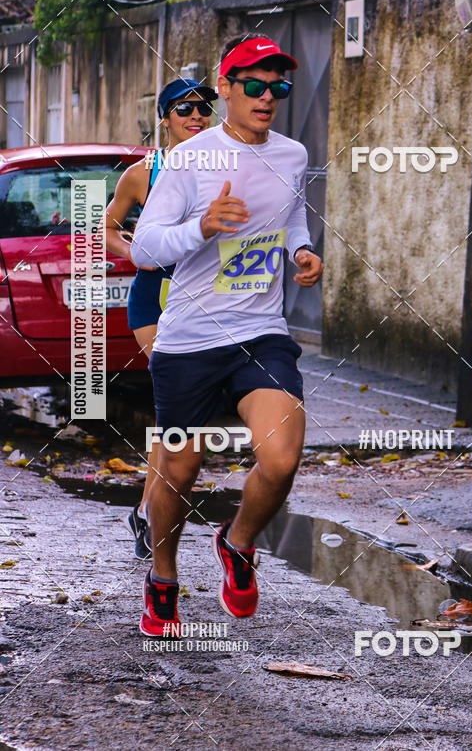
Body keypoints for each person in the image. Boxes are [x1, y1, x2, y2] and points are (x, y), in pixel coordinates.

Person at [131, 34, 324, 634]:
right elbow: (144, 247)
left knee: (281, 458)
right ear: (228, 89)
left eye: (279, 87)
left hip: (260, 332)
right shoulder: (189, 159)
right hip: (188, 340)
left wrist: (301, 249)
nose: (268, 97)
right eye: (255, 85)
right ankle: (163, 577)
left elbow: (291, 211)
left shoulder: (292, 155)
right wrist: (202, 228)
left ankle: (237, 542)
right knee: (178, 471)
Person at [104, 77, 217, 559]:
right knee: (176, 404)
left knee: (186, 413)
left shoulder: (223, 165)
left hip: (206, 300)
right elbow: (107, 227)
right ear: (165, 117)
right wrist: (137, 254)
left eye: (203, 108)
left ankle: (146, 511)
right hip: (155, 301)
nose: (196, 116)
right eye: (184, 109)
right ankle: (150, 513)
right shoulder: (142, 174)